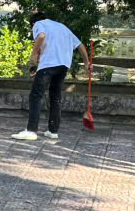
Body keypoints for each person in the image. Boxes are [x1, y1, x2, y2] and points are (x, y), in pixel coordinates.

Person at [12, 13, 90, 142]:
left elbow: (41, 36)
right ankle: (53, 131)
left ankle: (31, 130)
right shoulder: (62, 27)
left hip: (48, 65)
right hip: (63, 66)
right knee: (55, 97)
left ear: (33, 24)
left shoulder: (38, 24)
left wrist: (33, 55)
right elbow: (80, 45)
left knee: (35, 96)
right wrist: (86, 63)